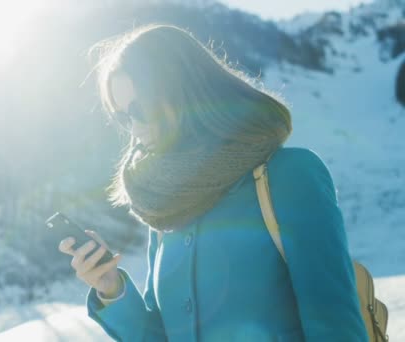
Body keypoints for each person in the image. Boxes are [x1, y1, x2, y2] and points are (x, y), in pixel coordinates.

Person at [58, 23, 368, 341]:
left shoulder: (290, 175)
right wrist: (112, 288)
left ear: (183, 90)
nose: (134, 128)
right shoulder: (164, 207)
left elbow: (335, 325)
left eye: (139, 108)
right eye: (122, 116)